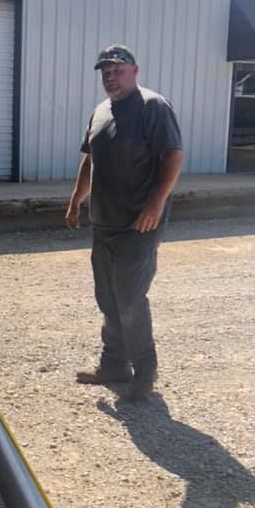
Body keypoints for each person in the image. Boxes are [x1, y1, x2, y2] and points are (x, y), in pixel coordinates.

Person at [65, 45, 184, 400]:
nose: (110, 75)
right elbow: (90, 161)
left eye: (117, 69)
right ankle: (114, 364)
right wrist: (75, 201)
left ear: (135, 70)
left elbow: (173, 156)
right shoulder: (101, 111)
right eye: (105, 70)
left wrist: (155, 203)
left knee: (130, 297)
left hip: (139, 224)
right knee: (107, 296)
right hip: (104, 221)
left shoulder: (154, 107)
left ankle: (144, 373)